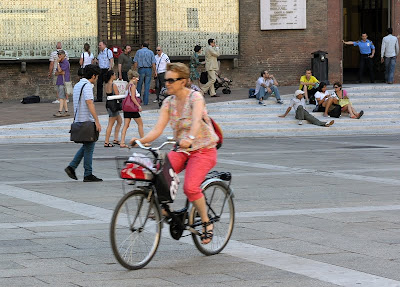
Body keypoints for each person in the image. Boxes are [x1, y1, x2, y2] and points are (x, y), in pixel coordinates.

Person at [129, 62, 218, 244]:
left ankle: (207, 223)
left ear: (183, 81)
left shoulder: (195, 98)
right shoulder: (168, 102)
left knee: (191, 188)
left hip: (203, 149)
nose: (166, 83)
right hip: (182, 150)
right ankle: (163, 209)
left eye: (171, 80)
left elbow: (195, 121)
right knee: (158, 173)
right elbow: (158, 129)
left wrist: (190, 138)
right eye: (166, 80)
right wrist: (141, 140)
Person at [64, 64, 103, 182]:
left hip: (79, 119)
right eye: (96, 77)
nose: (96, 80)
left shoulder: (78, 85)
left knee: (87, 145)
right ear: (93, 75)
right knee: (90, 146)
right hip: (87, 120)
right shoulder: (87, 86)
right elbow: (89, 103)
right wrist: (97, 120)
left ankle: (72, 167)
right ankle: (87, 173)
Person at [120, 70, 145, 148]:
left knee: (126, 125)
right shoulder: (133, 86)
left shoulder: (128, 85)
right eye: (137, 78)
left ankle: (122, 142)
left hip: (127, 108)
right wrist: (138, 106)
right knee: (140, 124)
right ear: (134, 78)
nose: (138, 79)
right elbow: (133, 97)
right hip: (132, 108)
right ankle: (143, 141)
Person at [104, 70, 123, 147]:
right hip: (114, 105)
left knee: (119, 121)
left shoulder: (106, 84)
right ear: (112, 76)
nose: (115, 76)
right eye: (114, 74)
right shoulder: (113, 85)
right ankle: (106, 141)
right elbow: (117, 95)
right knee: (111, 123)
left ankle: (115, 139)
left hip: (109, 104)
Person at [53, 50, 71, 117]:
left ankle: (60, 111)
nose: (59, 56)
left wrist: (57, 64)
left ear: (63, 55)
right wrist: (59, 71)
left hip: (64, 81)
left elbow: (60, 71)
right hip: (59, 80)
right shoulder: (60, 62)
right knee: (63, 98)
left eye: (60, 55)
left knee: (61, 97)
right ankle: (66, 111)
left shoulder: (65, 62)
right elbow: (56, 73)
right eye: (58, 55)